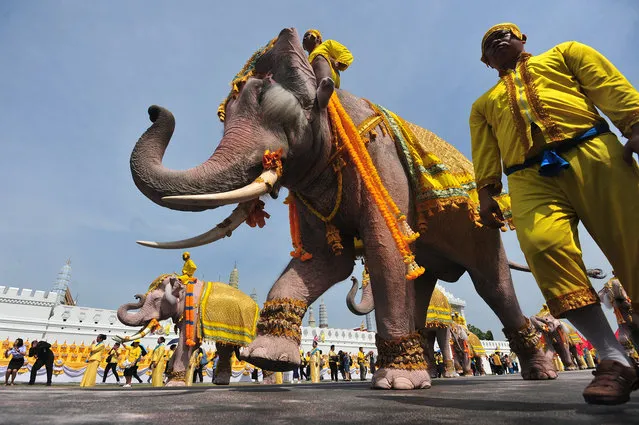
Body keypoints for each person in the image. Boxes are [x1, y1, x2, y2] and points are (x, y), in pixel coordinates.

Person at [470, 22, 639, 405]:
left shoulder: (566, 54)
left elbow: (608, 85)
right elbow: (484, 150)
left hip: (595, 152)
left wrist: (635, 123)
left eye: (505, 33)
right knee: (543, 248)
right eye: (489, 41)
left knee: (634, 241)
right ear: (485, 61)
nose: (498, 39)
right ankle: (613, 359)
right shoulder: (483, 105)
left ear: (522, 40)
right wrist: (486, 193)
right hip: (527, 178)